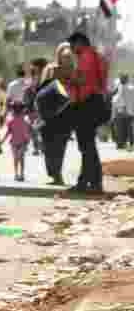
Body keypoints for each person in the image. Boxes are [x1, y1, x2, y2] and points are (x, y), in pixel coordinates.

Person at [67, 31, 107, 193]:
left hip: (87, 103)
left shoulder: (86, 56)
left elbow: (84, 80)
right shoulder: (94, 55)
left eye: (72, 45)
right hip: (92, 102)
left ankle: (94, 183)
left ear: (80, 43)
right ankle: (85, 182)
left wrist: (68, 78)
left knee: (87, 146)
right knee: (87, 146)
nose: (71, 48)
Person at [38, 42, 77, 186]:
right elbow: (42, 89)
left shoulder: (74, 71)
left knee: (60, 145)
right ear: (58, 56)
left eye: (69, 56)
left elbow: (76, 89)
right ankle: (53, 172)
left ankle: (57, 174)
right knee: (48, 146)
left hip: (66, 113)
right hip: (49, 112)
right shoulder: (50, 69)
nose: (66, 58)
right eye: (64, 55)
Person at [2, 101, 32, 181]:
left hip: (17, 142)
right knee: (20, 159)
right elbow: (26, 132)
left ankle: (18, 174)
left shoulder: (12, 120)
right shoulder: (24, 120)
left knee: (17, 159)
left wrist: (2, 141)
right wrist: (27, 141)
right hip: (20, 142)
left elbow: (8, 132)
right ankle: (19, 174)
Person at [112, 74, 134, 150]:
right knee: (128, 128)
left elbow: (118, 99)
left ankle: (122, 144)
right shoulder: (131, 88)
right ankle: (129, 143)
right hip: (128, 111)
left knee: (122, 129)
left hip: (122, 111)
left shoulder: (120, 87)